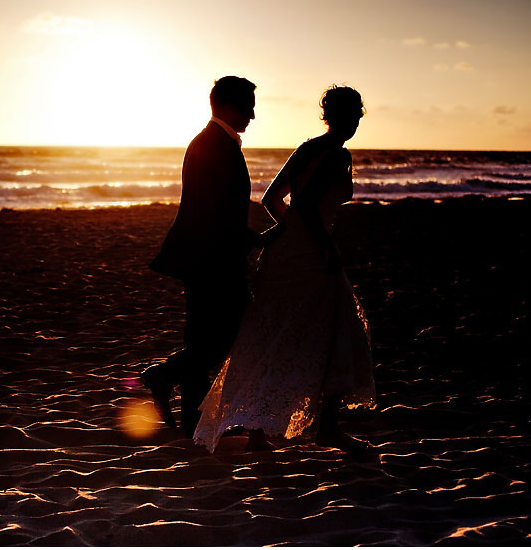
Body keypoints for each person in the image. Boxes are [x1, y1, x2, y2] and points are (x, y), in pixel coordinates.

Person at [193, 85, 377, 454]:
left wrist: (288, 231)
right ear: (340, 117)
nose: (355, 121)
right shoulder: (335, 154)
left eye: (358, 115)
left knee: (278, 335)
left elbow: (273, 199)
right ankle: (327, 428)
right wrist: (325, 245)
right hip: (312, 256)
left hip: (286, 252)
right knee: (337, 331)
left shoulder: (308, 148)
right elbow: (307, 205)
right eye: (353, 115)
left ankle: (261, 434)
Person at [144, 75, 275, 437]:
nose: (252, 115)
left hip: (206, 257)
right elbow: (214, 211)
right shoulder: (214, 146)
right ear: (230, 106)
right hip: (213, 262)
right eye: (248, 107)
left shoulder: (211, 142)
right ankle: (164, 375)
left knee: (202, 341)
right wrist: (253, 240)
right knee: (228, 339)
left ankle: (193, 423)